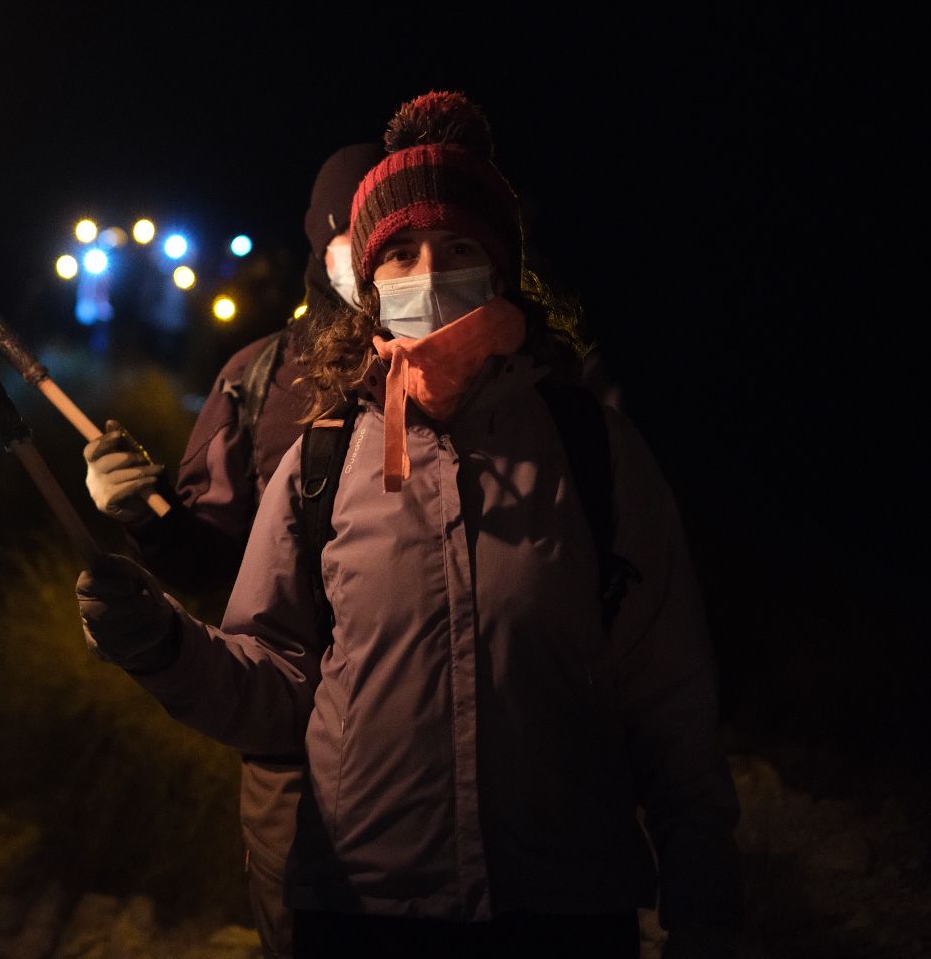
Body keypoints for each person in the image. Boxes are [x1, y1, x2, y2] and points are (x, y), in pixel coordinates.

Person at [78, 91, 742, 958]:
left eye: (459, 248)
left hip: (566, 910)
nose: (429, 274)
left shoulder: (595, 450)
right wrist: (161, 646)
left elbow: (669, 697)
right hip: (360, 911)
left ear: (503, 269)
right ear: (366, 285)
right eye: (401, 255)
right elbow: (279, 685)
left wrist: (706, 902)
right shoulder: (322, 464)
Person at [83, 142, 380, 958]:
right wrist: (141, 516)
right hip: (297, 760)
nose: (391, 262)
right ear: (323, 248)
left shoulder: (476, 373)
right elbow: (209, 561)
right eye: (360, 239)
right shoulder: (259, 377)